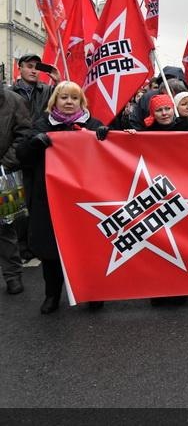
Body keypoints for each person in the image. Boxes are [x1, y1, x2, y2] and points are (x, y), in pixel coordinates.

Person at [16, 82, 102, 314]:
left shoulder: (94, 125)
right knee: (50, 251)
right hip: (50, 199)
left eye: (74, 98)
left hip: (85, 200)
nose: (69, 102)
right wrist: (34, 144)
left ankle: (93, 292)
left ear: (82, 102)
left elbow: (112, 153)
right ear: (54, 101)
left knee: (87, 249)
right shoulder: (42, 125)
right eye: (64, 97)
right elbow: (22, 155)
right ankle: (52, 294)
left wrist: (105, 136)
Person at [0, 87, 30, 295]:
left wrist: (5, 164)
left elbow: (24, 134)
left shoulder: (14, 101)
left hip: (3, 173)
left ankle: (12, 275)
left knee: (5, 225)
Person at [10, 54, 59, 123]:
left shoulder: (48, 91)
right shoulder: (9, 93)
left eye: (37, 68)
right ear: (20, 69)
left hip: (41, 130)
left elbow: (63, 103)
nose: (34, 71)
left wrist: (58, 81)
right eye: (29, 67)